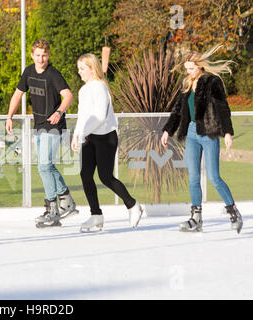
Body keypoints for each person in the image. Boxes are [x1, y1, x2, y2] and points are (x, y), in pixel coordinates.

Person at [161, 44, 243, 234]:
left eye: (191, 68)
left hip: (208, 133)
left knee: (214, 177)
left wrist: (228, 133)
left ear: (200, 66)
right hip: (190, 134)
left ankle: (233, 212)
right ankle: (196, 219)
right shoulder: (187, 84)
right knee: (194, 178)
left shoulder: (212, 82)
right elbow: (177, 112)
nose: (188, 72)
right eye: (186, 69)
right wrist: (167, 131)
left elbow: (223, 108)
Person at [6, 39, 77, 228]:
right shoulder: (28, 72)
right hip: (38, 125)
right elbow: (17, 94)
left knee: (44, 166)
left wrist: (59, 112)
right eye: (37, 55)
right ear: (32, 55)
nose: (41, 59)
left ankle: (51, 209)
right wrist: (9, 116)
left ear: (48, 55)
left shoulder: (53, 74)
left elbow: (68, 95)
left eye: (44, 55)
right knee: (46, 166)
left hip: (54, 125)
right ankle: (66, 200)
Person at [71, 53, 144, 232]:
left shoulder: (100, 87)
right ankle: (96, 215)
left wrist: (83, 133)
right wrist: (76, 134)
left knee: (105, 176)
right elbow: (83, 115)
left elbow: (100, 116)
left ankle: (133, 205)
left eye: (82, 69)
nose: (79, 73)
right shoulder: (83, 90)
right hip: (89, 137)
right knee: (85, 175)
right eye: (78, 69)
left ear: (91, 68)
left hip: (106, 138)